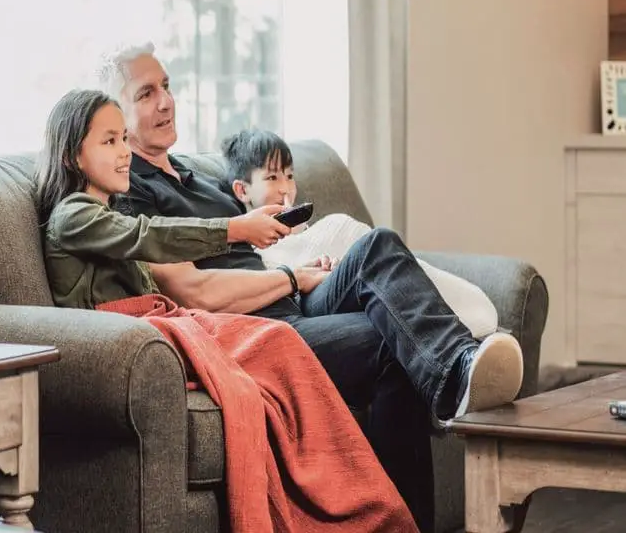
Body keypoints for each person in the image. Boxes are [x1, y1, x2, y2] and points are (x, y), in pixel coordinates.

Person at [96, 41, 524, 533]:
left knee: (374, 249)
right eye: (147, 93)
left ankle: (456, 366)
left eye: (167, 86)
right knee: (392, 343)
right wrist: (289, 277)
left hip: (288, 295)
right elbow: (194, 292)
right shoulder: (133, 192)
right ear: (118, 118)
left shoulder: (198, 179)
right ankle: (449, 394)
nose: (166, 101)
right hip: (255, 327)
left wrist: (299, 266)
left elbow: (251, 251)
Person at [34, 88, 419, 533]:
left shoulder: (109, 215)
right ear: (70, 156)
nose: (124, 153)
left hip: (170, 323)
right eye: (109, 142)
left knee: (339, 318)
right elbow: (148, 235)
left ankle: (375, 506)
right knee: (281, 340)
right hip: (137, 339)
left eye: (123, 138)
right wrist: (237, 228)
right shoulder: (72, 216)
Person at [221, 127, 502, 342]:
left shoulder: (309, 229)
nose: (286, 188)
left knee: (382, 245)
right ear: (241, 190)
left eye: (290, 176)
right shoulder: (251, 252)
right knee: (374, 245)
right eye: (272, 178)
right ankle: (457, 345)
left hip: (348, 267)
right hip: (314, 296)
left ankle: (458, 337)